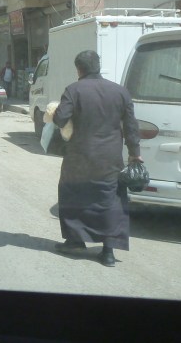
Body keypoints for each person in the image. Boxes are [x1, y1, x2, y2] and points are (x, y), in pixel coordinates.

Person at [52, 50, 141, 268]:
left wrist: (54, 112)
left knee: (73, 195)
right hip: (109, 158)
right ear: (98, 66)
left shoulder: (73, 90)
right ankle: (108, 252)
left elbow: (60, 119)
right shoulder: (120, 92)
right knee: (108, 200)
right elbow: (131, 126)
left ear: (78, 69)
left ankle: (75, 241)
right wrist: (135, 153)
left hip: (79, 158)